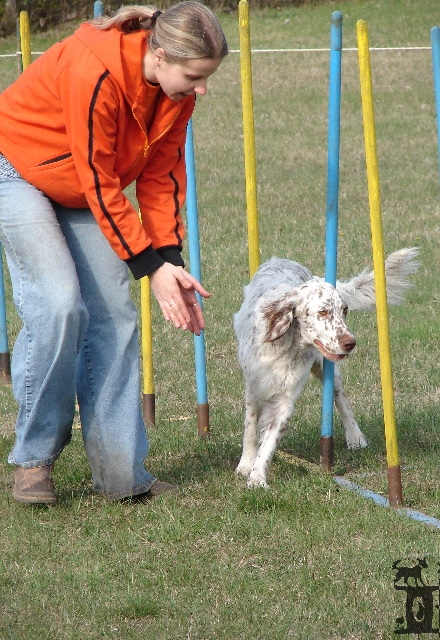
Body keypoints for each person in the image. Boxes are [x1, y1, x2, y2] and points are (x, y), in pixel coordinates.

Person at [0, 2, 228, 503]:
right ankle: (33, 460)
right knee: (60, 306)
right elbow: (101, 181)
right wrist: (147, 265)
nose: (202, 89)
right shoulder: (95, 70)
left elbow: (162, 173)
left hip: (79, 188)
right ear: (161, 55)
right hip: (17, 170)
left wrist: (168, 260)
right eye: (195, 76)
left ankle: (123, 477)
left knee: (116, 316)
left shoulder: (176, 94)